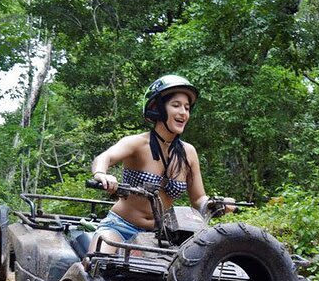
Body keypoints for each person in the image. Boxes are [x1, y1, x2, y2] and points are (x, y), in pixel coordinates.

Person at [90, 74, 235, 252]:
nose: (183, 112)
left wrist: (217, 204)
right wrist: (101, 174)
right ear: (157, 108)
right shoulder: (137, 143)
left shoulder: (188, 153)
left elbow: (198, 199)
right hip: (120, 227)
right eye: (176, 105)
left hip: (161, 236)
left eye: (187, 108)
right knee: (98, 264)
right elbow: (104, 158)